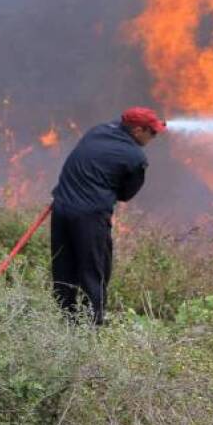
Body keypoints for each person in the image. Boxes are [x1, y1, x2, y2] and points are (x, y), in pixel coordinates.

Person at [50, 107, 165, 324]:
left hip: (61, 209)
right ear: (138, 130)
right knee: (94, 272)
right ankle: (91, 331)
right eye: (153, 132)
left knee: (63, 269)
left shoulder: (97, 131)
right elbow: (125, 194)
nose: (154, 137)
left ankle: (64, 323)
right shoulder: (135, 157)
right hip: (90, 218)